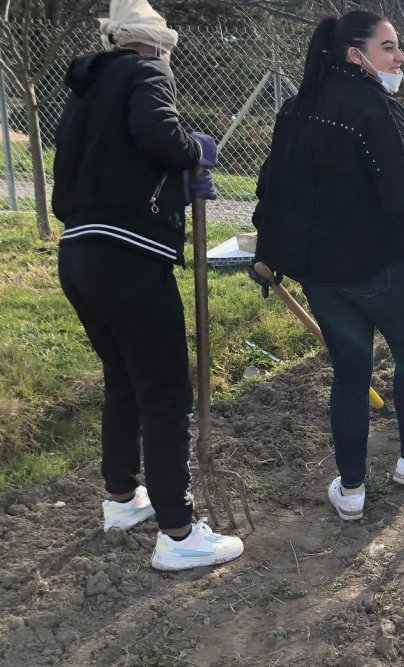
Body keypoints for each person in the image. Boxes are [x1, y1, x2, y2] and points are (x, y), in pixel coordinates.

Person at [53, 0, 243, 570]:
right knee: (165, 393)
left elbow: (109, 163)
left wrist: (172, 182)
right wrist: (193, 155)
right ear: (157, 45)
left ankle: (121, 498)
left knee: (124, 380)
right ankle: (179, 534)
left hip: (79, 253)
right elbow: (158, 137)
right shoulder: (147, 70)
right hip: (128, 258)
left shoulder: (87, 91)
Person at [250, 11, 404, 522]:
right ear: (353, 55)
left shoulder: (294, 111)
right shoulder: (377, 111)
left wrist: (268, 253)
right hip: (381, 269)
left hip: (322, 277)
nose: (399, 56)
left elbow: (273, 192)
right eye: (388, 47)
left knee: (349, 375)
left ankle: (353, 490)